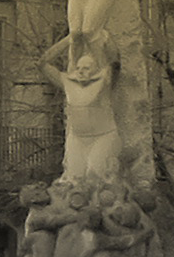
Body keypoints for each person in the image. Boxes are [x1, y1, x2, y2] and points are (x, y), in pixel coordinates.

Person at [43, 34, 121, 183]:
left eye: (86, 68)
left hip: (102, 136)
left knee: (96, 176)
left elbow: (115, 60)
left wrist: (102, 36)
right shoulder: (68, 82)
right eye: (78, 68)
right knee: (74, 179)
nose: (80, 71)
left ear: (96, 70)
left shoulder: (104, 80)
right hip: (77, 138)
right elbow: (42, 63)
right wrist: (68, 39)